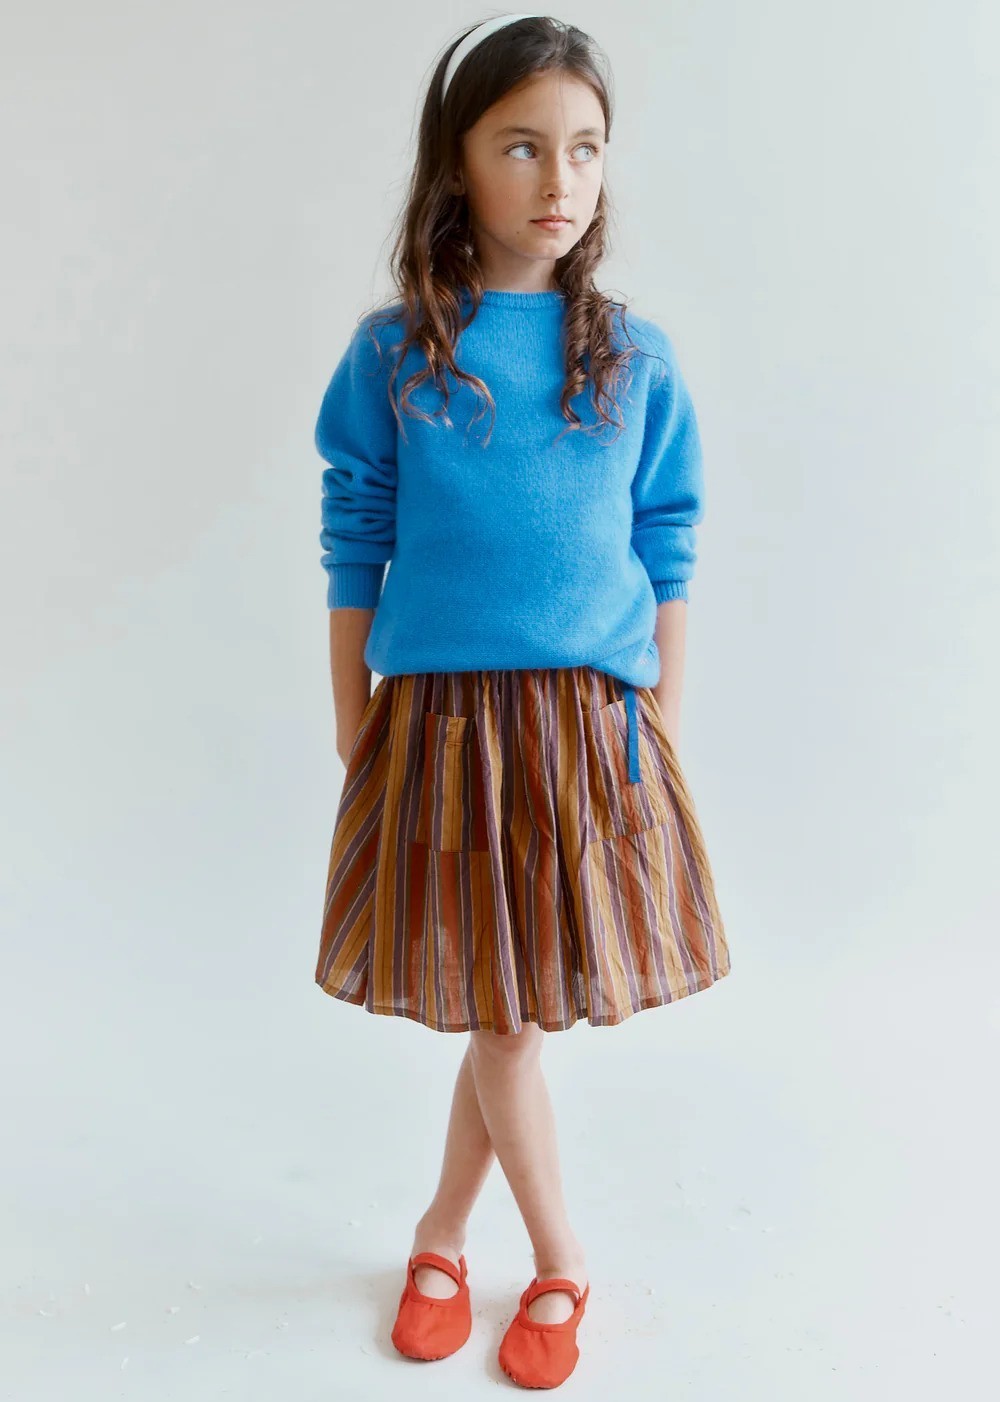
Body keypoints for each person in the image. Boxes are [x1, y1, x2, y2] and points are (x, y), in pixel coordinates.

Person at [312, 13, 731, 1389]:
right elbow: (355, 535)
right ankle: (546, 1255)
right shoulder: (396, 355)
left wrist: (662, 719)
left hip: (586, 730)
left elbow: (667, 539)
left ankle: (466, 1239)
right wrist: (353, 717)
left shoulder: (634, 356)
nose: (562, 179)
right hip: (444, 730)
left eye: (586, 149)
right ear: (458, 164)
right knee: (503, 1011)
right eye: (523, 147)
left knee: (512, 1012)